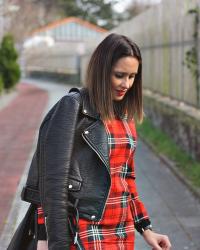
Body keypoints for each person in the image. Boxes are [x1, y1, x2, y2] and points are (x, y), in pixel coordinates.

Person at [22, 33, 172, 250]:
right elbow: (51, 180)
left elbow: (126, 178)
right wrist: (45, 238)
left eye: (132, 77)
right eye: (119, 75)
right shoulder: (73, 107)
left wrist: (146, 228)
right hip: (85, 229)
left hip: (122, 228)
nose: (126, 84)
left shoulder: (126, 116)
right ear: (101, 71)